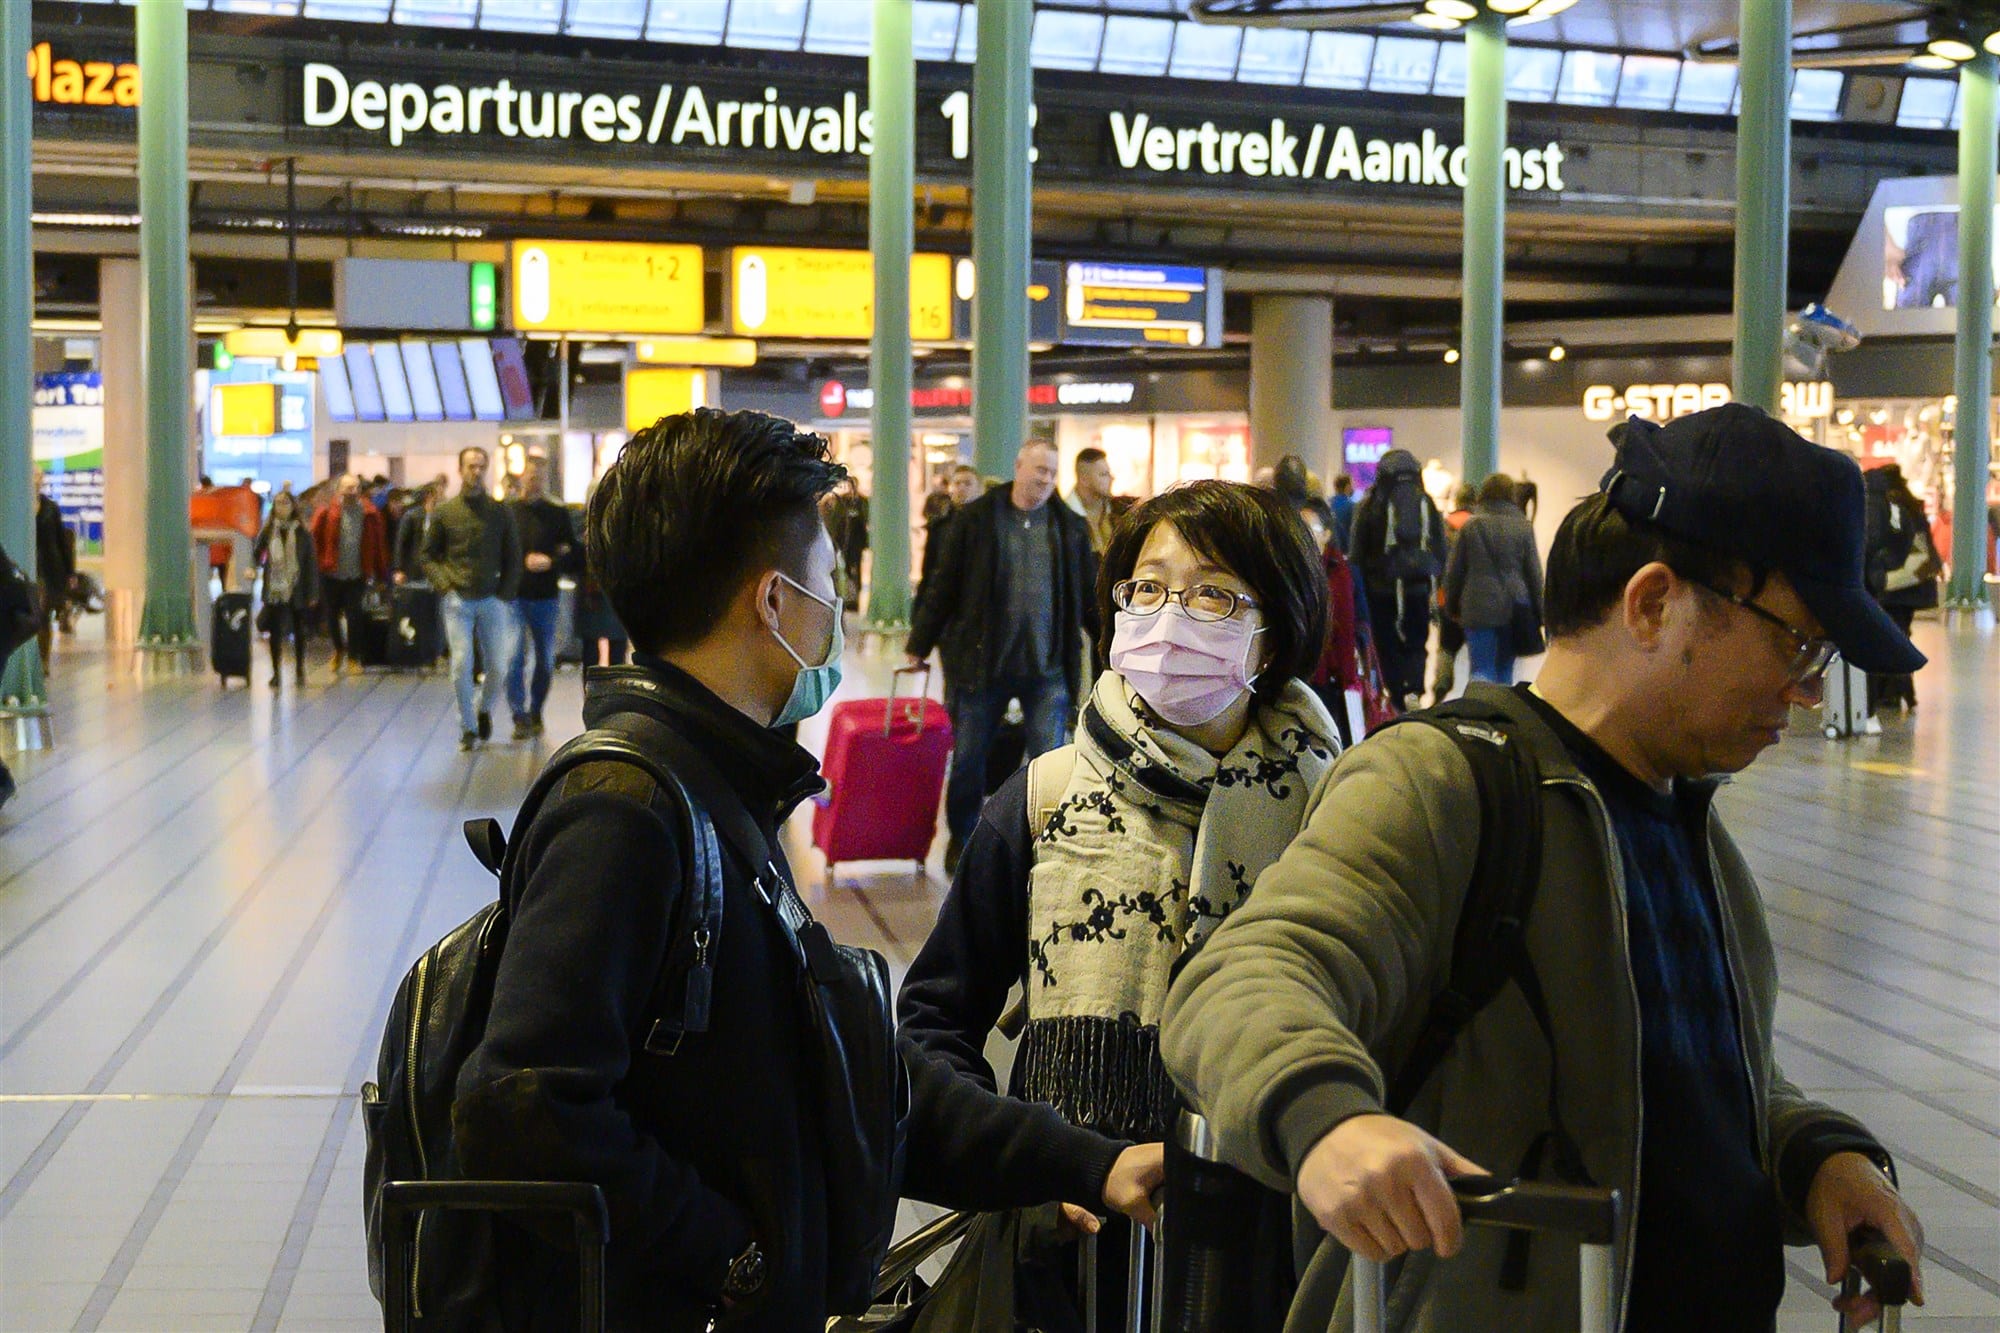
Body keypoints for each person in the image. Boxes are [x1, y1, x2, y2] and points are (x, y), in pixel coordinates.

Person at [1163, 404, 1928, 1332]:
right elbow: (1246, 975)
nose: (1808, 692)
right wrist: (1328, 1118)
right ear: (1653, 603)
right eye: (1796, 642)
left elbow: (1686, 1084)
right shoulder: (1442, 783)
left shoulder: (1687, 821)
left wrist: (1814, 1156)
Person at [454, 407, 1133, 1332]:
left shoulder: (717, 788)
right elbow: (522, 1101)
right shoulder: (627, 809)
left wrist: (1084, 1160)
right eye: (827, 582)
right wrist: (731, 1260)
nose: (840, 608)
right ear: (773, 602)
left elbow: (847, 1082)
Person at [901, 480, 1343, 1329]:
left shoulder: (1334, 816)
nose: (1170, 616)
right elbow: (929, 1024)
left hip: (1278, 1242)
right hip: (1071, 1253)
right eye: (1147, 587)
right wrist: (1035, 1171)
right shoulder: (1043, 799)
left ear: (1273, 630)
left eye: (1211, 591)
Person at [907, 440, 1098, 875]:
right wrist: (919, 643)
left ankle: (1046, 845)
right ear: (1018, 466)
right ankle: (963, 840)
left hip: (1046, 667)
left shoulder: (1067, 528)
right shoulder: (976, 521)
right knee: (970, 758)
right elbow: (944, 586)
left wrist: (1113, 647)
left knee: (1050, 759)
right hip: (983, 665)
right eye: (1038, 470)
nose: (1045, 480)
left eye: (1052, 473)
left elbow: (1087, 599)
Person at [423, 447, 521, 751]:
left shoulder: (499, 511)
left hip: (492, 597)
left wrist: (505, 594)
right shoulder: (445, 512)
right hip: (458, 600)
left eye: (480, 466)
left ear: (486, 469)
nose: (475, 471)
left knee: (498, 665)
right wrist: (444, 586)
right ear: (460, 469)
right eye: (470, 466)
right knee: (461, 663)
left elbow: (513, 556)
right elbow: (428, 556)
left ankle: (481, 708)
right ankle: (467, 726)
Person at [1347, 448, 1446, 709]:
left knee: (1386, 642)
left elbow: (1356, 552)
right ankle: (1414, 688)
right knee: (1416, 639)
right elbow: (1440, 546)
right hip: (1417, 586)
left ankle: (1395, 696)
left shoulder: (1370, 504)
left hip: (1380, 588)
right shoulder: (1425, 502)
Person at [1444, 473, 1545, 686]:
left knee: (1481, 668)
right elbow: (1534, 574)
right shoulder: (1523, 526)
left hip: (1477, 606)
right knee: (1505, 670)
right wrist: (1540, 612)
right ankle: (1501, 713)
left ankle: (1480, 712)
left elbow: (1455, 571)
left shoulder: (1471, 526)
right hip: (1513, 607)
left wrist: (1452, 606)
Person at [507, 450, 577, 739]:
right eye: (531, 476)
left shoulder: (557, 513)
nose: (535, 482)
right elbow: (500, 551)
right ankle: (518, 714)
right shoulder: (508, 512)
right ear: (522, 477)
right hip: (514, 596)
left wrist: (553, 562)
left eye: (540, 477)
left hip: (546, 596)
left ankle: (536, 708)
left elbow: (572, 551)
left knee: (546, 660)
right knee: (514, 657)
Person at [1869, 465, 1940, 714]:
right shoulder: (1908, 506)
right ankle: (1899, 692)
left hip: (1897, 587)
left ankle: (1889, 693)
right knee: (1897, 636)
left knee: (1888, 638)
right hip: (1910, 588)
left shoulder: (1893, 509)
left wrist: (1881, 579)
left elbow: (1913, 555)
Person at [310, 473, 388, 676]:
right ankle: (338, 649)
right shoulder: (326, 512)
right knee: (332, 616)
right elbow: (313, 541)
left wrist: (381, 574)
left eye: (355, 487)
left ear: (360, 490)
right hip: (330, 574)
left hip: (357, 575)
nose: (351, 491)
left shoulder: (370, 513)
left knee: (355, 617)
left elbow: (379, 546)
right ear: (339, 490)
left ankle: (354, 657)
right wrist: (316, 566)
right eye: (347, 487)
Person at [253, 489, 317, 688]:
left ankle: (299, 669)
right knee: (275, 630)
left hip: (297, 587)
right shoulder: (268, 530)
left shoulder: (302, 532)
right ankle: (276, 673)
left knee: (298, 629)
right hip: (275, 588)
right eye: (279, 503)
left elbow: (310, 563)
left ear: (293, 506)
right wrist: (253, 567)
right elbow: (256, 554)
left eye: (286, 503)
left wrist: (312, 592)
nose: (282, 507)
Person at [914, 463, 983, 629]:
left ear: (978, 489)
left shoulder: (987, 526)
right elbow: (929, 570)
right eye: (957, 483)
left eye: (967, 484)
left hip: (977, 605)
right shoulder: (940, 527)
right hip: (949, 606)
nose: (961, 488)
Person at [1432, 482, 1481, 701]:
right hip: (1473, 598)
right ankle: (1475, 697)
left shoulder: (1446, 524)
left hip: (1448, 596)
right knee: (1477, 653)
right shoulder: (1480, 525)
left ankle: (1441, 686)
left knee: (1446, 647)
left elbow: (1440, 563)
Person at [32, 470, 74, 671]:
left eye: (39, 477)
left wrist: (70, 572)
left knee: (42, 615)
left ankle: (43, 660)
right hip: (28, 567)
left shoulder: (51, 508)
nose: (37, 481)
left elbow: (61, 541)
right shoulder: (16, 506)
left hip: (49, 569)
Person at [1064, 446, 1128, 557]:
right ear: (1084, 479)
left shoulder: (1119, 512)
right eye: (1103, 474)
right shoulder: (1064, 518)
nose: (1111, 478)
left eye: (1109, 473)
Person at [392, 479, 444, 585]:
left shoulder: (440, 516)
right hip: (413, 570)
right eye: (439, 493)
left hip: (434, 570)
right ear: (430, 495)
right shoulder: (411, 516)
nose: (442, 496)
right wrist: (398, 569)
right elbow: (400, 543)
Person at [1328, 473, 1358, 550]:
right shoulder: (1352, 506)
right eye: (1352, 484)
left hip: (1331, 550)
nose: (1353, 487)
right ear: (1347, 487)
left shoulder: (1328, 503)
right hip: (1345, 550)